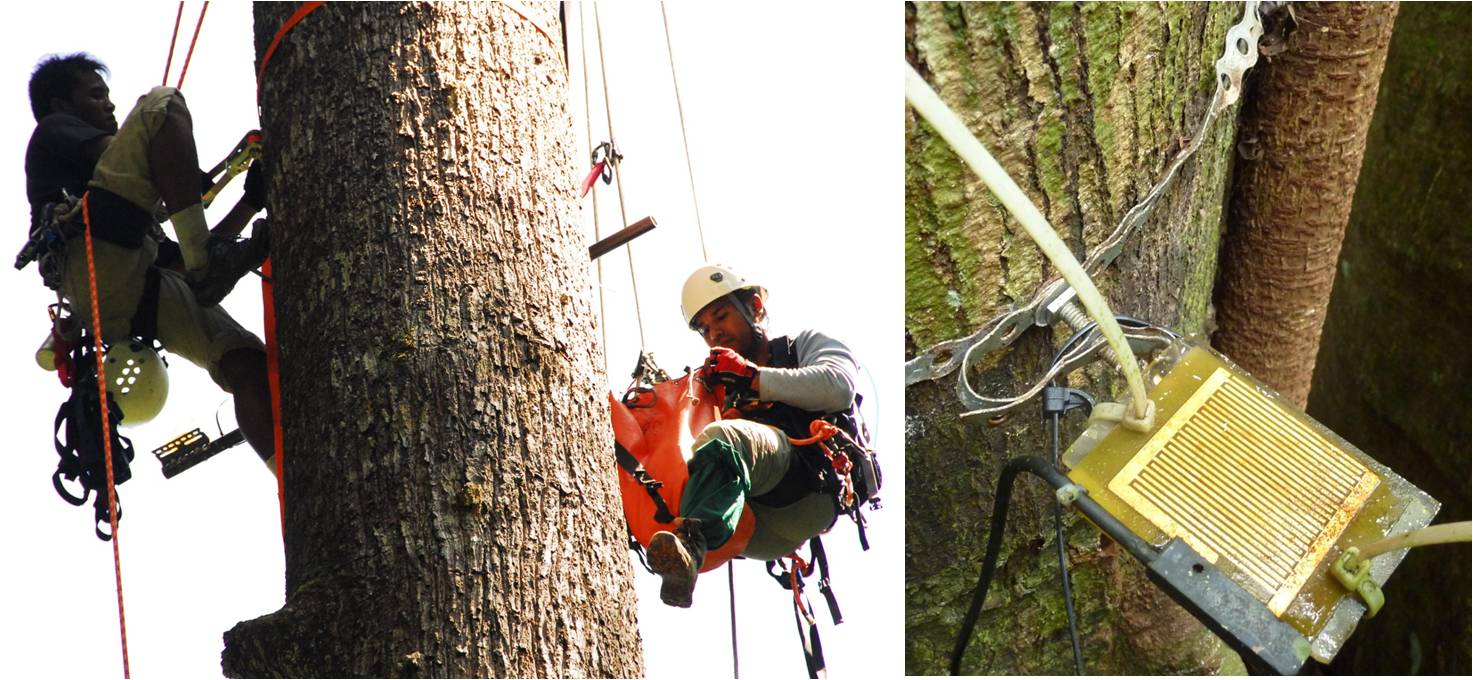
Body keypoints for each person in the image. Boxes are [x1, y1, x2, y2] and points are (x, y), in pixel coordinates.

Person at [24, 53, 275, 465]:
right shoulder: (54, 131)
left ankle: (286, 476)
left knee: (250, 368)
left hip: (128, 292)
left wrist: (249, 203)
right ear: (62, 105)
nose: (109, 105)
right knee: (163, 105)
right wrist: (171, 169)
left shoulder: (125, 209)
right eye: (95, 95)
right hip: (94, 260)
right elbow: (135, 142)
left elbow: (183, 264)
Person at [647, 263, 864, 608]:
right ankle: (676, 549)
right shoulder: (718, 387)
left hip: (809, 490)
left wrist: (753, 378)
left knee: (725, 438)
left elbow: (839, 387)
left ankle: (690, 544)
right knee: (669, 464)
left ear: (755, 308)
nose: (714, 333)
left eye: (721, 317)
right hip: (752, 528)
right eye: (704, 328)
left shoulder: (801, 347)